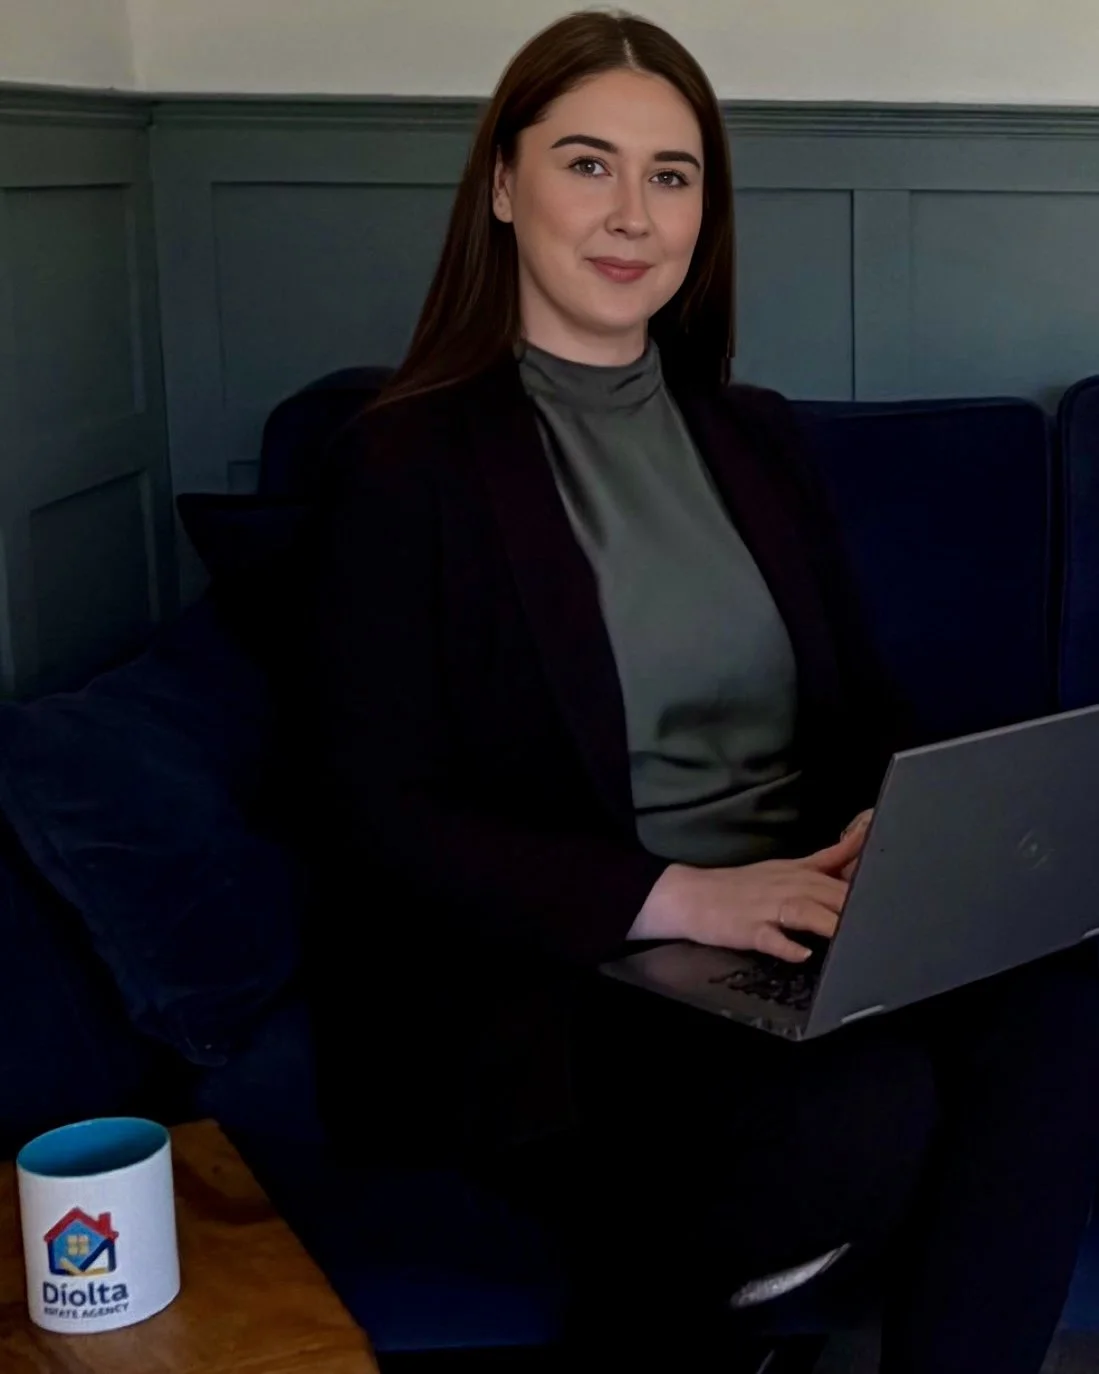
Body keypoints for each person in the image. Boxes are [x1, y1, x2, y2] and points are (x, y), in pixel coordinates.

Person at [303, 11, 1099, 1370]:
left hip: (790, 927)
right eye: (588, 163)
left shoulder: (750, 434)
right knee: (866, 1109)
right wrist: (677, 897)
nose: (632, 213)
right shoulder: (402, 462)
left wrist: (903, 834)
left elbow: (857, 707)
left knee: (1063, 1005)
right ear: (503, 187)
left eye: (670, 175)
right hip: (564, 971)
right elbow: (372, 809)